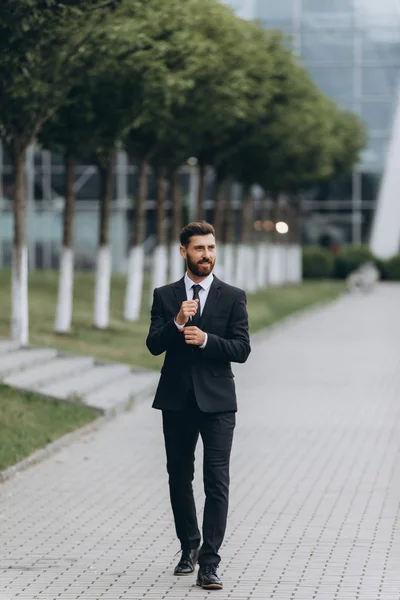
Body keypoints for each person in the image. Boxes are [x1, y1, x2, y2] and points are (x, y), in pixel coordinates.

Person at [146, 221, 251, 591]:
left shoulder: (233, 295)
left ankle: (209, 561)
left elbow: (242, 349)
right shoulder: (164, 295)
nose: (206, 255)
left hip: (219, 402)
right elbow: (153, 345)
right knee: (179, 477)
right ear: (183, 252)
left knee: (216, 481)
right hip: (176, 400)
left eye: (211, 248)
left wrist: (207, 340)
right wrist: (177, 322)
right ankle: (188, 546)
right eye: (199, 249)